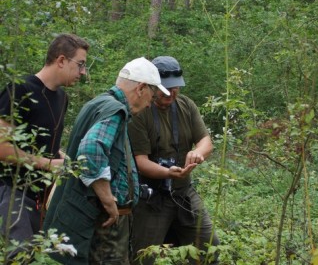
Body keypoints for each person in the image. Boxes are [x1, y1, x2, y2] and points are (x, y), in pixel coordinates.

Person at [43, 57, 170, 265]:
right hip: (103, 220)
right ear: (141, 88)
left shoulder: (99, 103)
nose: (150, 104)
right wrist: (108, 200)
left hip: (95, 218)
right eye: (152, 95)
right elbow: (91, 151)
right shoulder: (115, 111)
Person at [0, 33, 89, 251]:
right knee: (19, 257)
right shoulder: (20, 89)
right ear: (61, 60)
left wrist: (61, 157)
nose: (83, 72)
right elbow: (2, 147)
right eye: (80, 64)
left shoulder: (62, 98)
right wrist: (47, 163)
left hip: (40, 197)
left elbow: (41, 142)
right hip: (10, 192)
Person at [128, 55, 220, 265]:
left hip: (183, 192)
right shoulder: (140, 112)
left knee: (208, 249)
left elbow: (206, 141)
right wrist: (167, 173)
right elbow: (139, 162)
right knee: (143, 257)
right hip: (152, 197)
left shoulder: (186, 105)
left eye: (175, 87)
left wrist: (198, 153)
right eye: (165, 88)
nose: (171, 92)